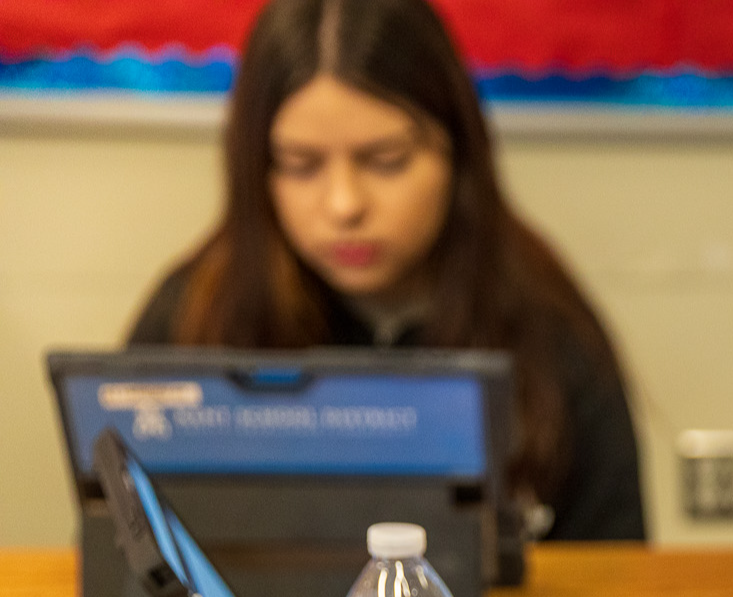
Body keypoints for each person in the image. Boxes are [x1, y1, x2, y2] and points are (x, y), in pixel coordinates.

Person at [128, 0, 645, 543]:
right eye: (302, 165)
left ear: (458, 153)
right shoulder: (192, 321)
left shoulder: (549, 329)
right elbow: (124, 557)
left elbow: (616, 581)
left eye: (387, 160)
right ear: (256, 169)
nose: (345, 205)